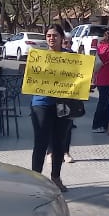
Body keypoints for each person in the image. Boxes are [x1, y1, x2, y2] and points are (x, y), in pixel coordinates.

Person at [30, 25, 74, 192]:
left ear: (62, 38)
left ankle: (56, 177)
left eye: (55, 35)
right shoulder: (39, 56)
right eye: (48, 35)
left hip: (63, 104)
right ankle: (36, 180)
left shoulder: (70, 57)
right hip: (41, 103)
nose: (51, 38)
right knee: (40, 142)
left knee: (59, 142)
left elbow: (83, 74)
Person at [90, 30, 109, 133]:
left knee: (103, 101)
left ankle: (101, 124)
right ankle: (98, 125)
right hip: (108, 77)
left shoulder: (100, 47)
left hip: (100, 76)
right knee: (104, 102)